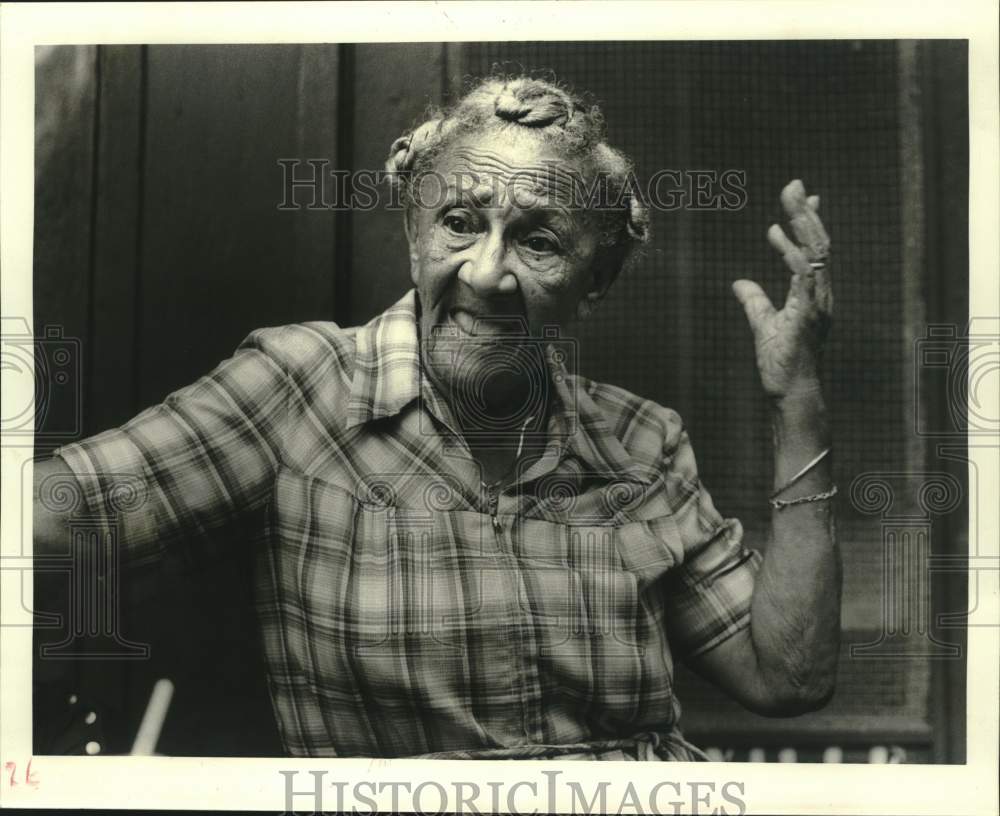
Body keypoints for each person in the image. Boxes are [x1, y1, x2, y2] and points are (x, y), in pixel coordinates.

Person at [33, 75, 840, 760]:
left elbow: (788, 676)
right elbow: (46, 521)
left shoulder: (640, 442)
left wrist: (796, 400)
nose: (487, 273)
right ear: (414, 232)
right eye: (460, 223)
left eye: (539, 242)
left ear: (596, 282)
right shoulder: (302, 386)